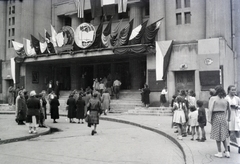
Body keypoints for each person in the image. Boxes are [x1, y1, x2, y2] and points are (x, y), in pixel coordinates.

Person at [208, 85, 231, 158]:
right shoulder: (226, 99)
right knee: (223, 135)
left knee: (217, 135)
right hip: (223, 117)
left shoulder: (213, 98)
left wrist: (209, 119)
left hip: (216, 116)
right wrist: (228, 118)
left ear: (216, 90)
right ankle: (227, 152)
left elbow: (210, 109)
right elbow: (229, 110)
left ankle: (219, 152)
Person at [225, 85, 240, 153]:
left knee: (237, 131)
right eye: (232, 90)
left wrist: (237, 106)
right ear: (228, 90)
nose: (234, 91)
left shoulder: (237, 98)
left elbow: (239, 106)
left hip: (235, 115)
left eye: (235, 90)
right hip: (228, 115)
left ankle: (239, 146)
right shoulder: (226, 98)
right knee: (228, 131)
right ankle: (228, 146)